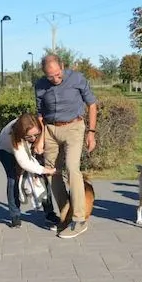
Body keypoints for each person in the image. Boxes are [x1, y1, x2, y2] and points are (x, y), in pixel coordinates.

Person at [35, 54, 97, 239]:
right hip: (51, 130)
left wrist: (91, 133)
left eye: (58, 74)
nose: (55, 79)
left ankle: (79, 219)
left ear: (62, 66)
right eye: (50, 77)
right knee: (52, 172)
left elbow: (92, 105)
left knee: (72, 168)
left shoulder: (77, 78)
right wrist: (40, 138)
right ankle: (65, 216)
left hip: (74, 127)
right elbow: (40, 114)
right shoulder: (39, 85)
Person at [0, 113, 57, 229]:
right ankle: (15, 216)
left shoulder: (37, 127)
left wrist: (38, 141)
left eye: (36, 135)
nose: (33, 139)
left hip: (25, 147)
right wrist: (45, 170)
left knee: (41, 179)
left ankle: (49, 213)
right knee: (13, 178)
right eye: (30, 137)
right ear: (23, 133)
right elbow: (24, 162)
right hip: (6, 150)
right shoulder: (13, 134)